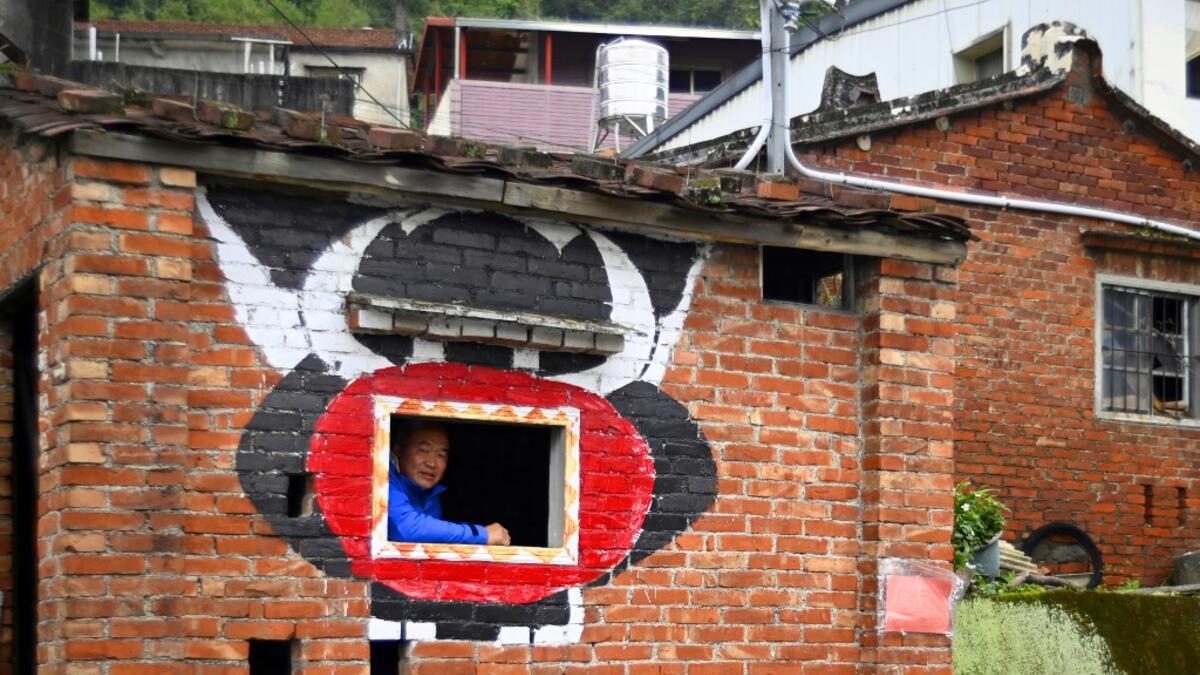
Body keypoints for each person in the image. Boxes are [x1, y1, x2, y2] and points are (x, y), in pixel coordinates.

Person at [387, 421, 510, 546]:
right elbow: (407, 528)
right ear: (397, 450)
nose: (432, 463)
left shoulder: (430, 496)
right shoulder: (383, 482)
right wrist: (481, 534)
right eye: (423, 450)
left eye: (441, 455)